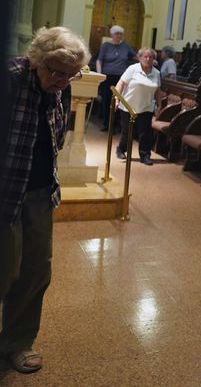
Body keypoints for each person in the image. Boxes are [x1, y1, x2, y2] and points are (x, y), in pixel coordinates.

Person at [1, 26, 90, 374]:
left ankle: (17, 343)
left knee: (36, 271)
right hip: (5, 193)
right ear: (36, 60)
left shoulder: (62, 87)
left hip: (39, 192)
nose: (63, 81)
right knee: (4, 269)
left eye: (70, 75)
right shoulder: (10, 78)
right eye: (56, 72)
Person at [114, 47, 163, 166]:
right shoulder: (132, 69)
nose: (148, 59)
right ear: (139, 57)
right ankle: (121, 149)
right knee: (127, 131)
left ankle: (145, 155)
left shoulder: (156, 73)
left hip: (146, 107)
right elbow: (121, 83)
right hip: (128, 105)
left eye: (151, 57)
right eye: (145, 56)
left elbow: (157, 90)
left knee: (145, 133)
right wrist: (117, 98)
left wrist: (159, 105)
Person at [95, 25, 137, 131]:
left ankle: (116, 125)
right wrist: (99, 73)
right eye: (117, 33)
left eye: (120, 34)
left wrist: (146, 59)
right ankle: (106, 123)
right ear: (112, 34)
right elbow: (99, 60)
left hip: (121, 78)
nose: (119, 36)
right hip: (107, 76)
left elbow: (135, 56)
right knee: (107, 100)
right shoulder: (106, 46)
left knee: (119, 100)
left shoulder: (125, 46)